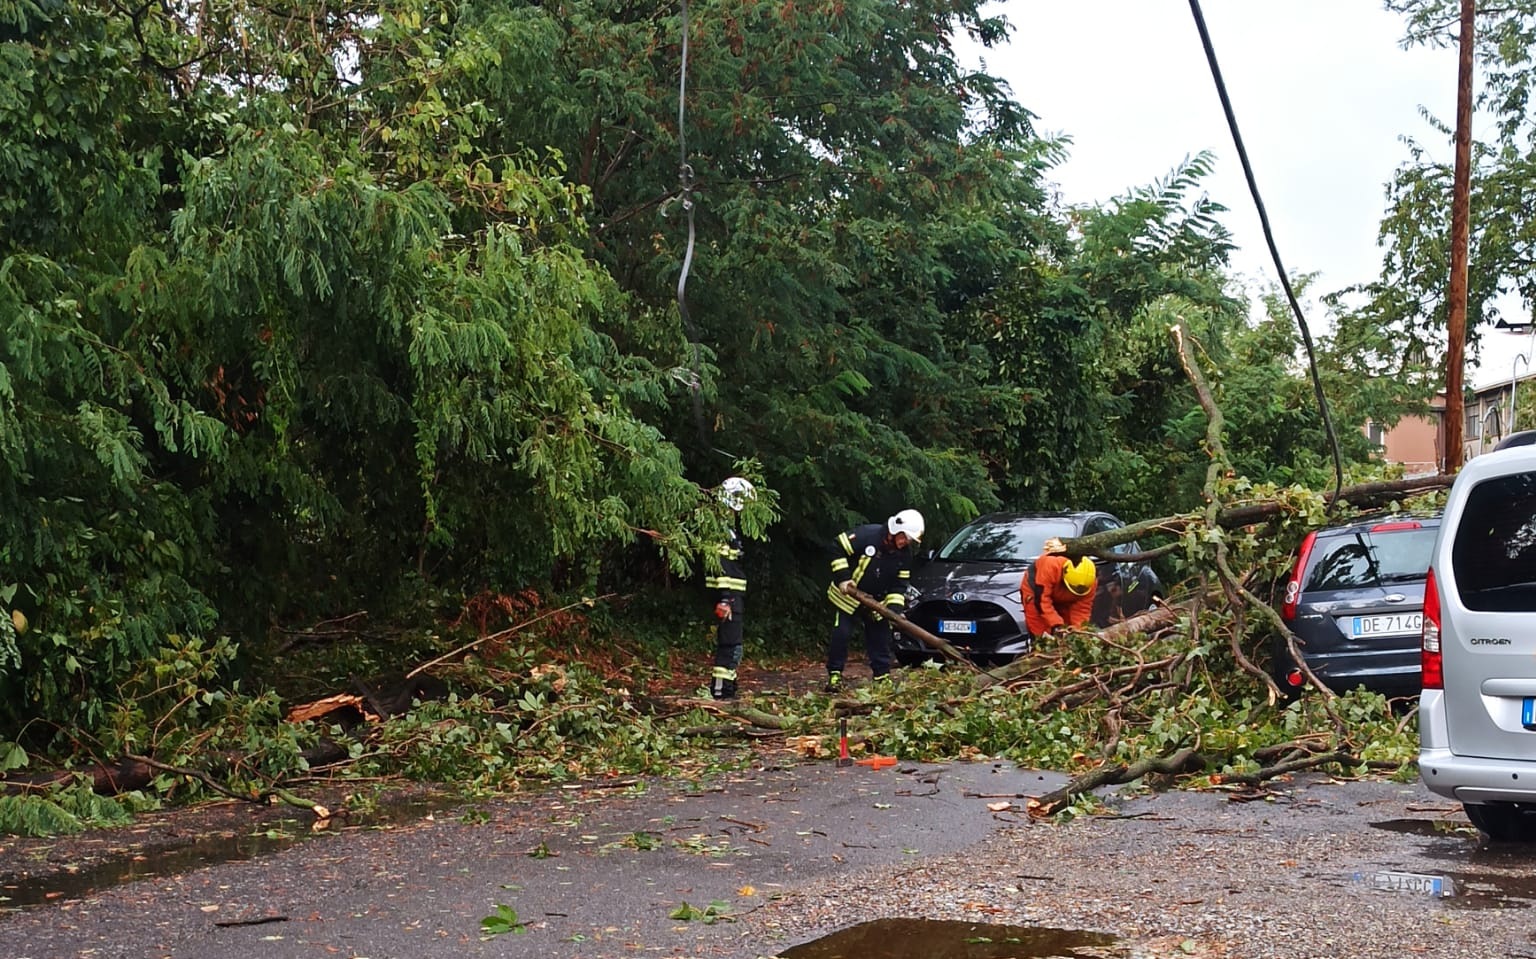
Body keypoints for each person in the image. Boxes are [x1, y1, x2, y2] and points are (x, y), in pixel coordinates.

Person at [824, 508, 925, 691]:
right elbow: (836, 546)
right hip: (849, 596)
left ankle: (882, 677)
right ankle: (835, 675)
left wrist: (893, 611)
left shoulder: (904, 556)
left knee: (880, 637)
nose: (904, 543)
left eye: (908, 540)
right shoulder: (868, 535)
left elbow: (900, 585)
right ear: (894, 531)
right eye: (904, 537)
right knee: (842, 634)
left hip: (877, 603)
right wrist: (843, 578)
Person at [707, 477, 754, 699]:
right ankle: (721, 691)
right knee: (730, 645)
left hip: (734, 596)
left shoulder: (728, 529)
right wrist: (725, 599)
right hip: (729, 597)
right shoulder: (719, 531)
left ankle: (729, 687)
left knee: (734, 645)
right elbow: (720, 566)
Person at [1020, 537, 1097, 649]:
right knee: (1041, 632)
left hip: (1063, 594)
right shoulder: (1050, 566)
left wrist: (1079, 633)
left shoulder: (1089, 580)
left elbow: (1082, 610)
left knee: (1070, 630)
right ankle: (1039, 654)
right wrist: (1056, 625)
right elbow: (1042, 602)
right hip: (1036, 592)